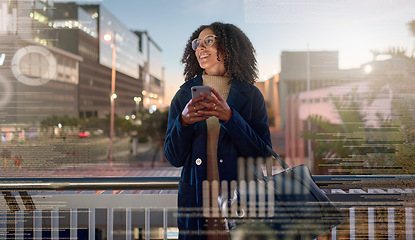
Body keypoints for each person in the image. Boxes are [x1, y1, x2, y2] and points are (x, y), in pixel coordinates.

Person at [164, 22, 272, 240]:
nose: (200, 48)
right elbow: (173, 156)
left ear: (228, 48)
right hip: (197, 202)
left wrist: (231, 118)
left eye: (209, 41)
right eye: (197, 43)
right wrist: (183, 122)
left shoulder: (251, 95)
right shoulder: (183, 95)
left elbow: (262, 154)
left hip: (242, 205)